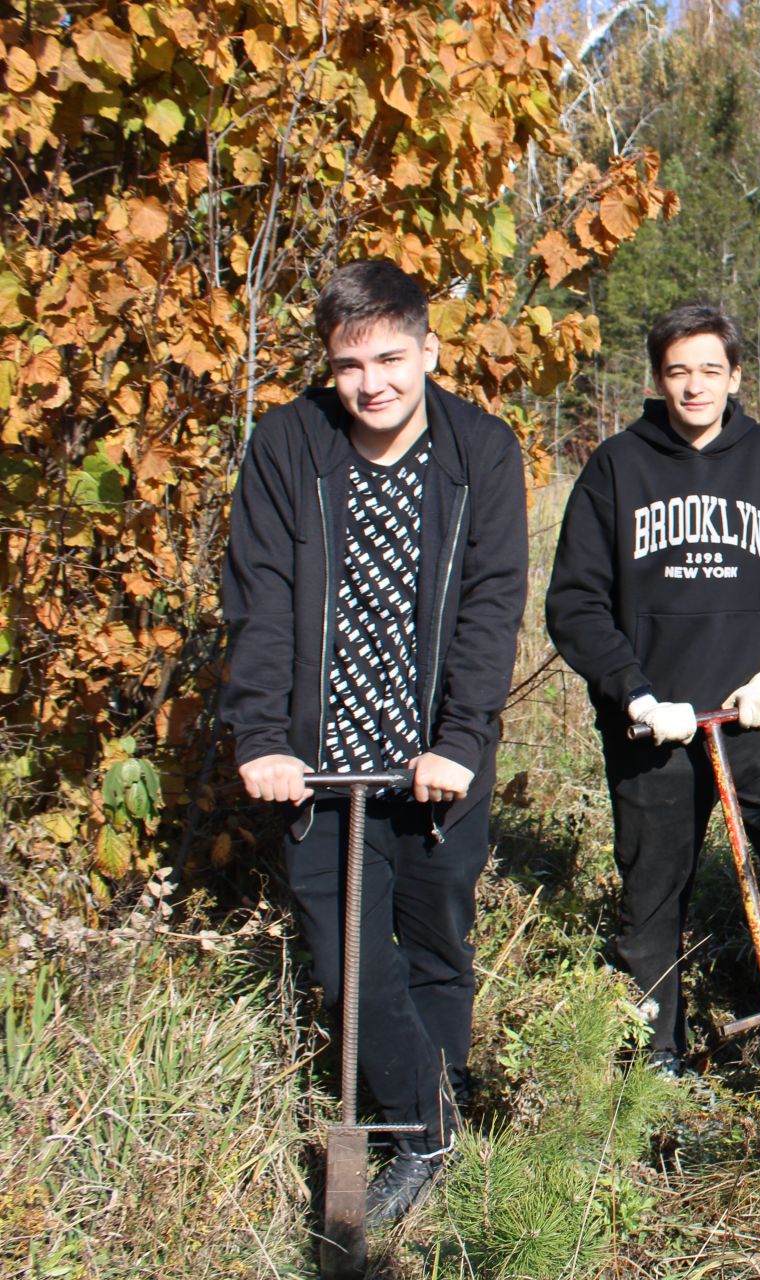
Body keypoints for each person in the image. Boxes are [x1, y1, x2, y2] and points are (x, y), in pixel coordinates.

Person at [222, 260, 529, 1223]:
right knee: (347, 961)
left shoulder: (482, 450)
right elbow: (260, 597)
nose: (374, 383)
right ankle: (427, 1128)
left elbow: (492, 602)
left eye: (393, 358)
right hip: (321, 765)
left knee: (437, 944)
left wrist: (464, 739)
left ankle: (419, 1140)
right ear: (329, 367)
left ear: (430, 351)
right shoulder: (289, 444)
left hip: (437, 761)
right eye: (350, 365)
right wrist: (262, 736)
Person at [545, 303, 760, 1077]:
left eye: (710, 369)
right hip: (656, 729)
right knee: (653, 898)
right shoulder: (617, 466)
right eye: (678, 371)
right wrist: (637, 696)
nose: (694, 386)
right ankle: (658, 1062)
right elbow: (574, 603)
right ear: (658, 378)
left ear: (735, 376)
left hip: (749, 718)